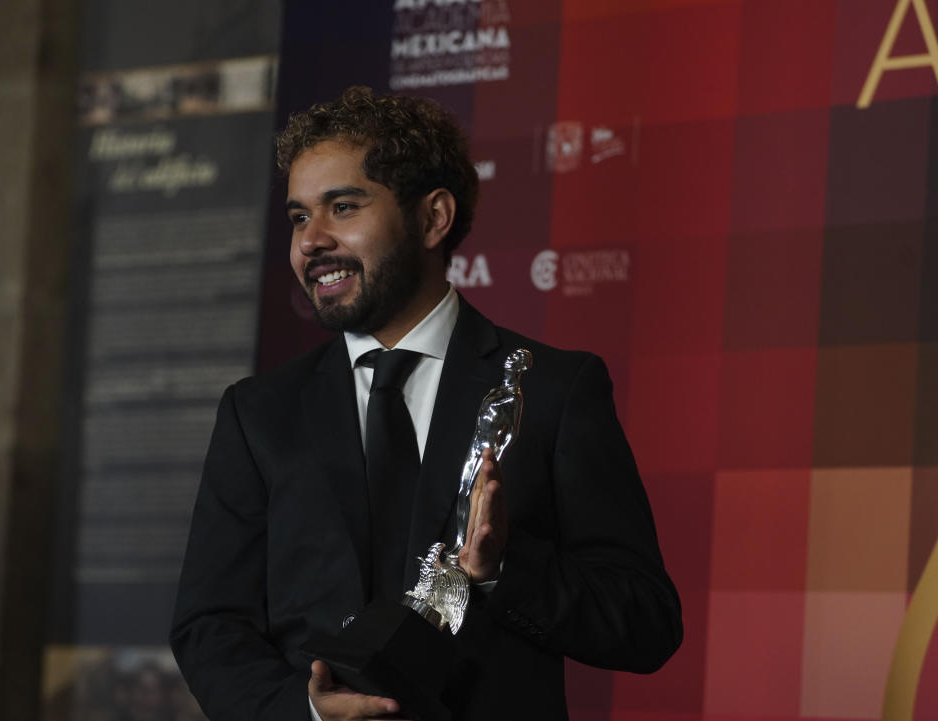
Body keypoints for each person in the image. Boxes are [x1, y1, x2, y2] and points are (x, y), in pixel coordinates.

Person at [170, 86, 682, 721]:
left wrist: (502, 571)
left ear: (434, 218)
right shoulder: (258, 413)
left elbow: (646, 621)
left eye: (344, 207)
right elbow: (210, 625)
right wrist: (303, 712)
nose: (311, 241)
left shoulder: (554, 390)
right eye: (301, 217)